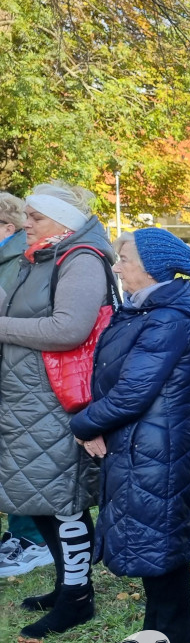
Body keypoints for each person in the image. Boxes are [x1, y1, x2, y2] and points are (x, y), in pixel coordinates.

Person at [69, 228, 190, 643]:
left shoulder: (167, 318)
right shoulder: (145, 310)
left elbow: (133, 391)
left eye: (125, 258)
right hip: (142, 444)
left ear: (152, 266)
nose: (118, 266)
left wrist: (83, 423)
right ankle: (163, 636)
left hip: (159, 449)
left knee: (160, 542)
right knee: (153, 539)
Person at [0, 180, 113, 637]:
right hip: (29, 397)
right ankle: (68, 585)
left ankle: (78, 596)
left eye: (36, 217)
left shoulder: (81, 258)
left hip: (56, 399)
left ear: (62, 223)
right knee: (41, 497)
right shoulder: (42, 256)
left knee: (64, 501)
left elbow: (69, 328)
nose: (26, 225)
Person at [0, 191, 53, 577]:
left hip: (23, 372)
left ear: (6, 226)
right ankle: (23, 533)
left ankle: (31, 538)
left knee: (23, 454)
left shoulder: (20, 258)